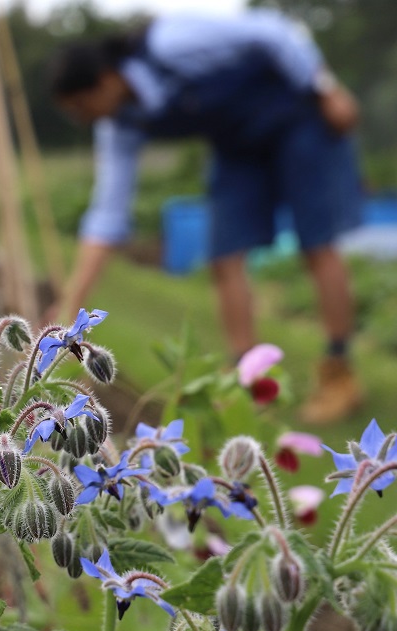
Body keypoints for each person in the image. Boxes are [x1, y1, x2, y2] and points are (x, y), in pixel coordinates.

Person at [49, 9, 363, 424]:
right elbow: (107, 217)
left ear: (104, 80)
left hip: (297, 121)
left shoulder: (169, 42)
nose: (81, 118)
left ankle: (338, 373)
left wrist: (325, 88)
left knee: (317, 245)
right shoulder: (119, 125)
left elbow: (270, 32)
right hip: (237, 148)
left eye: (80, 106)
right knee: (224, 255)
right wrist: (67, 308)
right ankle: (248, 382)